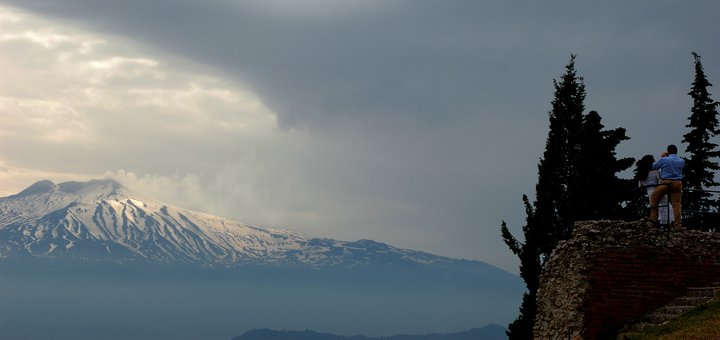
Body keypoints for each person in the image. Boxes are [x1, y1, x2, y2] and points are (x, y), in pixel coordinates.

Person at [648, 144, 685, 231]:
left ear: (668, 151)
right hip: (678, 183)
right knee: (677, 205)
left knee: (654, 197)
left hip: (666, 183)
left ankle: (654, 217)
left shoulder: (664, 159)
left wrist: (662, 157)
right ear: (676, 151)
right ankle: (678, 226)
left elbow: (654, 166)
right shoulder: (682, 161)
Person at [635, 154, 674, 226]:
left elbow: (640, 185)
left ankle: (657, 221)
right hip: (658, 189)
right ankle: (667, 222)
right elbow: (661, 179)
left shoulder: (642, 172)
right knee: (665, 205)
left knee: (654, 207)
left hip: (649, 191)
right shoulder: (656, 170)